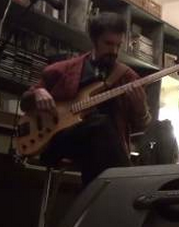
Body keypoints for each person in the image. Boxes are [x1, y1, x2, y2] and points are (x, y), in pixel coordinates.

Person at [20, 12, 151, 187]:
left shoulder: (127, 77)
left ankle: (95, 199)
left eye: (118, 45)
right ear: (94, 40)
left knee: (98, 142)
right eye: (108, 44)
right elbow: (25, 103)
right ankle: (126, 187)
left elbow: (140, 127)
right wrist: (38, 93)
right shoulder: (64, 69)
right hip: (58, 140)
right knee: (100, 124)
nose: (114, 51)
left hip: (103, 149)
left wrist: (141, 109)